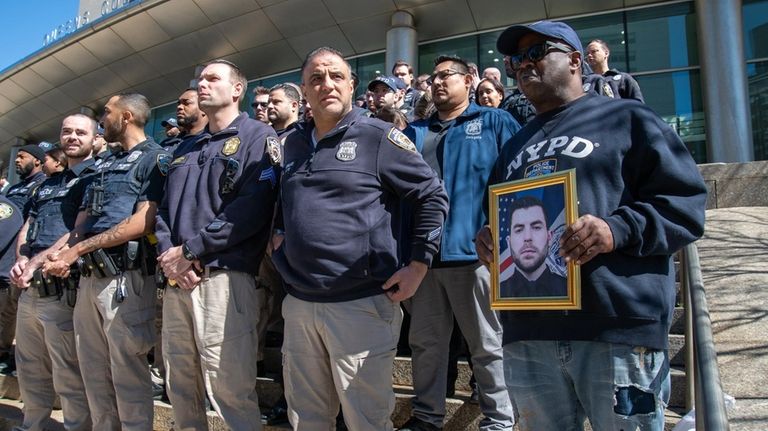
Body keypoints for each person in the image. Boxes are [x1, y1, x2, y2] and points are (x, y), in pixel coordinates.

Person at [475, 20, 707, 430]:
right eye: (515, 60)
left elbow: (684, 207)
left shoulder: (628, 118)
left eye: (537, 52)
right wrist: (490, 239)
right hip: (529, 333)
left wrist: (616, 229)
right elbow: (495, 216)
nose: (524, 65)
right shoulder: (513, 145)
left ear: (577, 61)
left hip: (617, 327)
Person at [271, 46, 448, 431]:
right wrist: (279, 239)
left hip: (361, 304)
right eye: (316, 78)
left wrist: (419, 264)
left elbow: (431, 195)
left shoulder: (378, 136)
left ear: (352, 86)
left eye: (336, 76)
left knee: (366, 421)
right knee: (307, 420)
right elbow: (283, 203)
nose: (327, 84)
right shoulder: (292, 144)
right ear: (304, 90)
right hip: (300, 304)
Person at [155, 59, 278, 430]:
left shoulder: (259, 137)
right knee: (180, 383)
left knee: (230, 387)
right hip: (178, 278)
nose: (202, 84)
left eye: (213, 78)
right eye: (200, 79)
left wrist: (191, 251)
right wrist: (169, 255)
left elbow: (253, 207)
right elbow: (163, 211)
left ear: (237, 89)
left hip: (224, 277)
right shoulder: (185, 147)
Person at [401, 55, 519, 431]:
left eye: (445, 76)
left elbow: (518, 179)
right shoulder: (415, 132)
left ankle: (499, 419)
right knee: (426, 346)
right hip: (423, 261)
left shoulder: (494, 121)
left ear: (469, 80)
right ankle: (426, 417)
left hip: (477, 256)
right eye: (432, 77)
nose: (436, 83)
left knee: (487, 343)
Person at [43, 92, 170, 430]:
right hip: (88, 277)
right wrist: (65, 251)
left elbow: (142, 222)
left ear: (126, 117)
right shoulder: (106, 163)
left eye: (107, 113)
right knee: (93, 370)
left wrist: (77, 251)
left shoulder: (155, 159)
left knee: (127, 371)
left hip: (124, 279)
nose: (102, 119)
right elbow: (86, 218)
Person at [10, 113, 96, 431]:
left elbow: (79, 230)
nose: (72, 137)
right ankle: (33, 425)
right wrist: (21, 259)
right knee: (30, 365)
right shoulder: (48, 183)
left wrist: (34, 264)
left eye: (80, 132)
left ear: (92, 137)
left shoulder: (92, 177)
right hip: (29, 284)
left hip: (60, 286)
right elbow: (28, 224)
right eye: (67, 131)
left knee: (67, 367)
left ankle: (77, 427)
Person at [0, 144, 48, 372]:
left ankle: (18, 356)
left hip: (24, 256)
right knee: (7, 308)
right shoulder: (14, 189)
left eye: (22, 156)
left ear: (37, 160)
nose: (17, 160)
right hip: (7, 255)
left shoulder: (41, 186)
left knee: (19, 308)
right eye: (16, 156)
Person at [499, 195, 566, 298]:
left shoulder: (568, 289)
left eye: (536, 227)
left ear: (549, 237)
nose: (527, 237)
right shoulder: (498, 293)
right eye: (519, 230)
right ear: (509, 242)